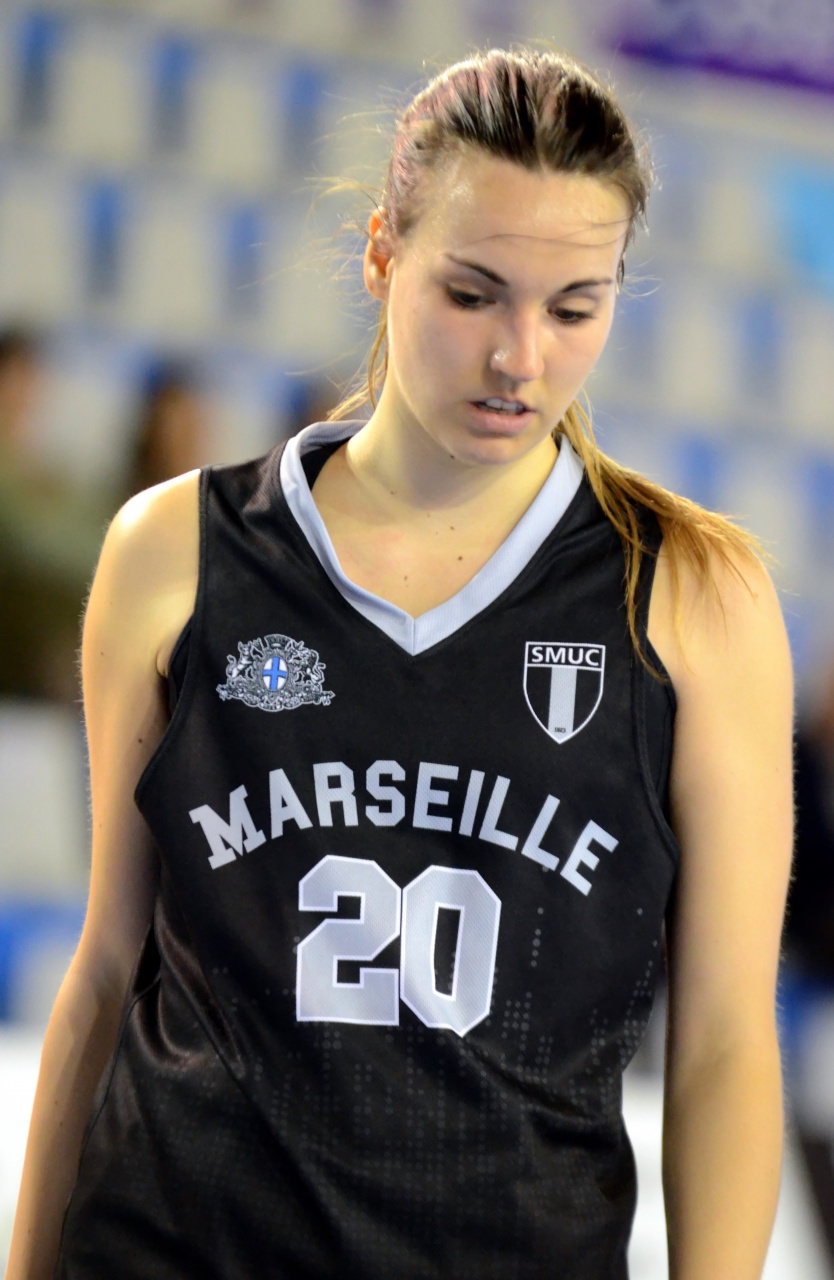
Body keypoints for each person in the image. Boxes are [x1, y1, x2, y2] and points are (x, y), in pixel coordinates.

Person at [8, 48, 793, 1280]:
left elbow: (726, 1042)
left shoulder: (694, 593)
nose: (519, 356)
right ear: (383, 252)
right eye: (473, 293)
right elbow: (108, 967)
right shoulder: (173, 552)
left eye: (574, 307)